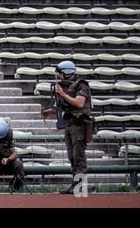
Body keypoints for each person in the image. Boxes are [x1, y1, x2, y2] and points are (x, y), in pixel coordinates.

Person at [41, 60, 93, 194]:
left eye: (60, 73)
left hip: (79, 124)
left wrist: (63, 94)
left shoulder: (81, 85)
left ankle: (80, 187)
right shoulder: (65, 86)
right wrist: (51, 111)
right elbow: (66, 107)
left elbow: (79, 103)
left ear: (66, 72)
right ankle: (75, 185)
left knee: (78, 156)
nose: (59, 76)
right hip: (69, 123)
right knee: (71, 156)